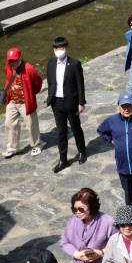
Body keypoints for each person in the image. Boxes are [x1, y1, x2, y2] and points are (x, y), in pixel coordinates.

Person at [46, 36, 87, 172]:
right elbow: (50, 82)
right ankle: (63, 159)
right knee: (61, 132)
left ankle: (82, 151)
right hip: (56, 103)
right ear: (53, 49)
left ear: (67, 49)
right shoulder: (51, 63)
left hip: (71, 102)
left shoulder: (75, 64)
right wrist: (50, 97)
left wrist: (81, 102)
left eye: (62, 48)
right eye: (57, 48)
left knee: (76, 128)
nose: (59, 50)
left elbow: (80, 85)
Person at [2, 47, 43, 159]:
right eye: (10, 60)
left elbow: (38, 83)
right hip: (12, 101)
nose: (13, 62)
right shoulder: (8, 66)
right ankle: (12, 148)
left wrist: (30, 95)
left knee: (31, 124)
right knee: (9, 123)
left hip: (26, 102)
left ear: (20, 57)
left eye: (15, 60)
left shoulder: (29, 68)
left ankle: (37, 145)